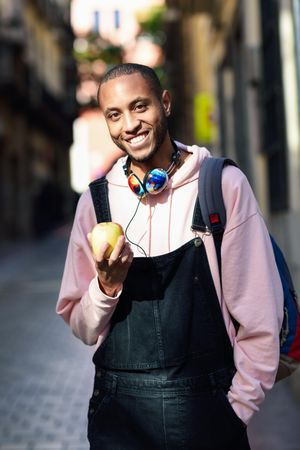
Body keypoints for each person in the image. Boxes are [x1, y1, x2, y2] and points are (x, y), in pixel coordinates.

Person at [56, 63, 283, 449]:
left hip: (207, 414)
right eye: (114, 114)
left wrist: (236, 410)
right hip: (120, 416)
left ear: (165, 103)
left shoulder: (221, 185)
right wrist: (107, 286)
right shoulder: (95, 203)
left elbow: (260, 315)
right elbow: (82, 327)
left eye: (140, 106)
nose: (129, 124)